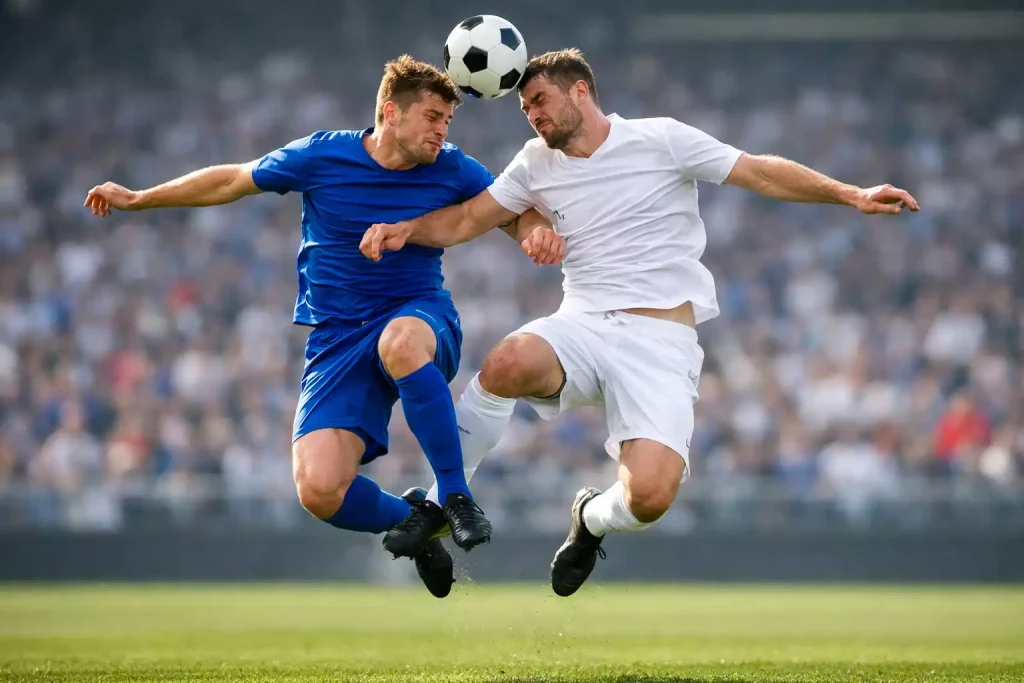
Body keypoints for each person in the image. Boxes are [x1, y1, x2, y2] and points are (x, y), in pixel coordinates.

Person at [359, 48, 920, 597]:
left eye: (539, 100)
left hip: (660, 338)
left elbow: (759, 173)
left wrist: (852, 193)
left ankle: (591, 518)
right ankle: (442, 500)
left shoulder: (661, 138)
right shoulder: (534, 162)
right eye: (525, 108)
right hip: (582, 321)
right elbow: (468, 218)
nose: (533, 114)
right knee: (506, 362)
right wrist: (405, 228)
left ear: (581, 90)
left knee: (649, 497)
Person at [83, 55, 564, 598]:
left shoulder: (452, 166)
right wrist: (142, 198)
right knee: (319, 489)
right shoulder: (322, 154)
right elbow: (234, 180)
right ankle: (418, 521)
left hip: (420, 315)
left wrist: (535, 232)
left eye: (447, 121)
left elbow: (509, 209)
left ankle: (453, 495)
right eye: (431, 116)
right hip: (336, 340)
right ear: (390, 112)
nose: (441, 131)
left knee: (400, 342)